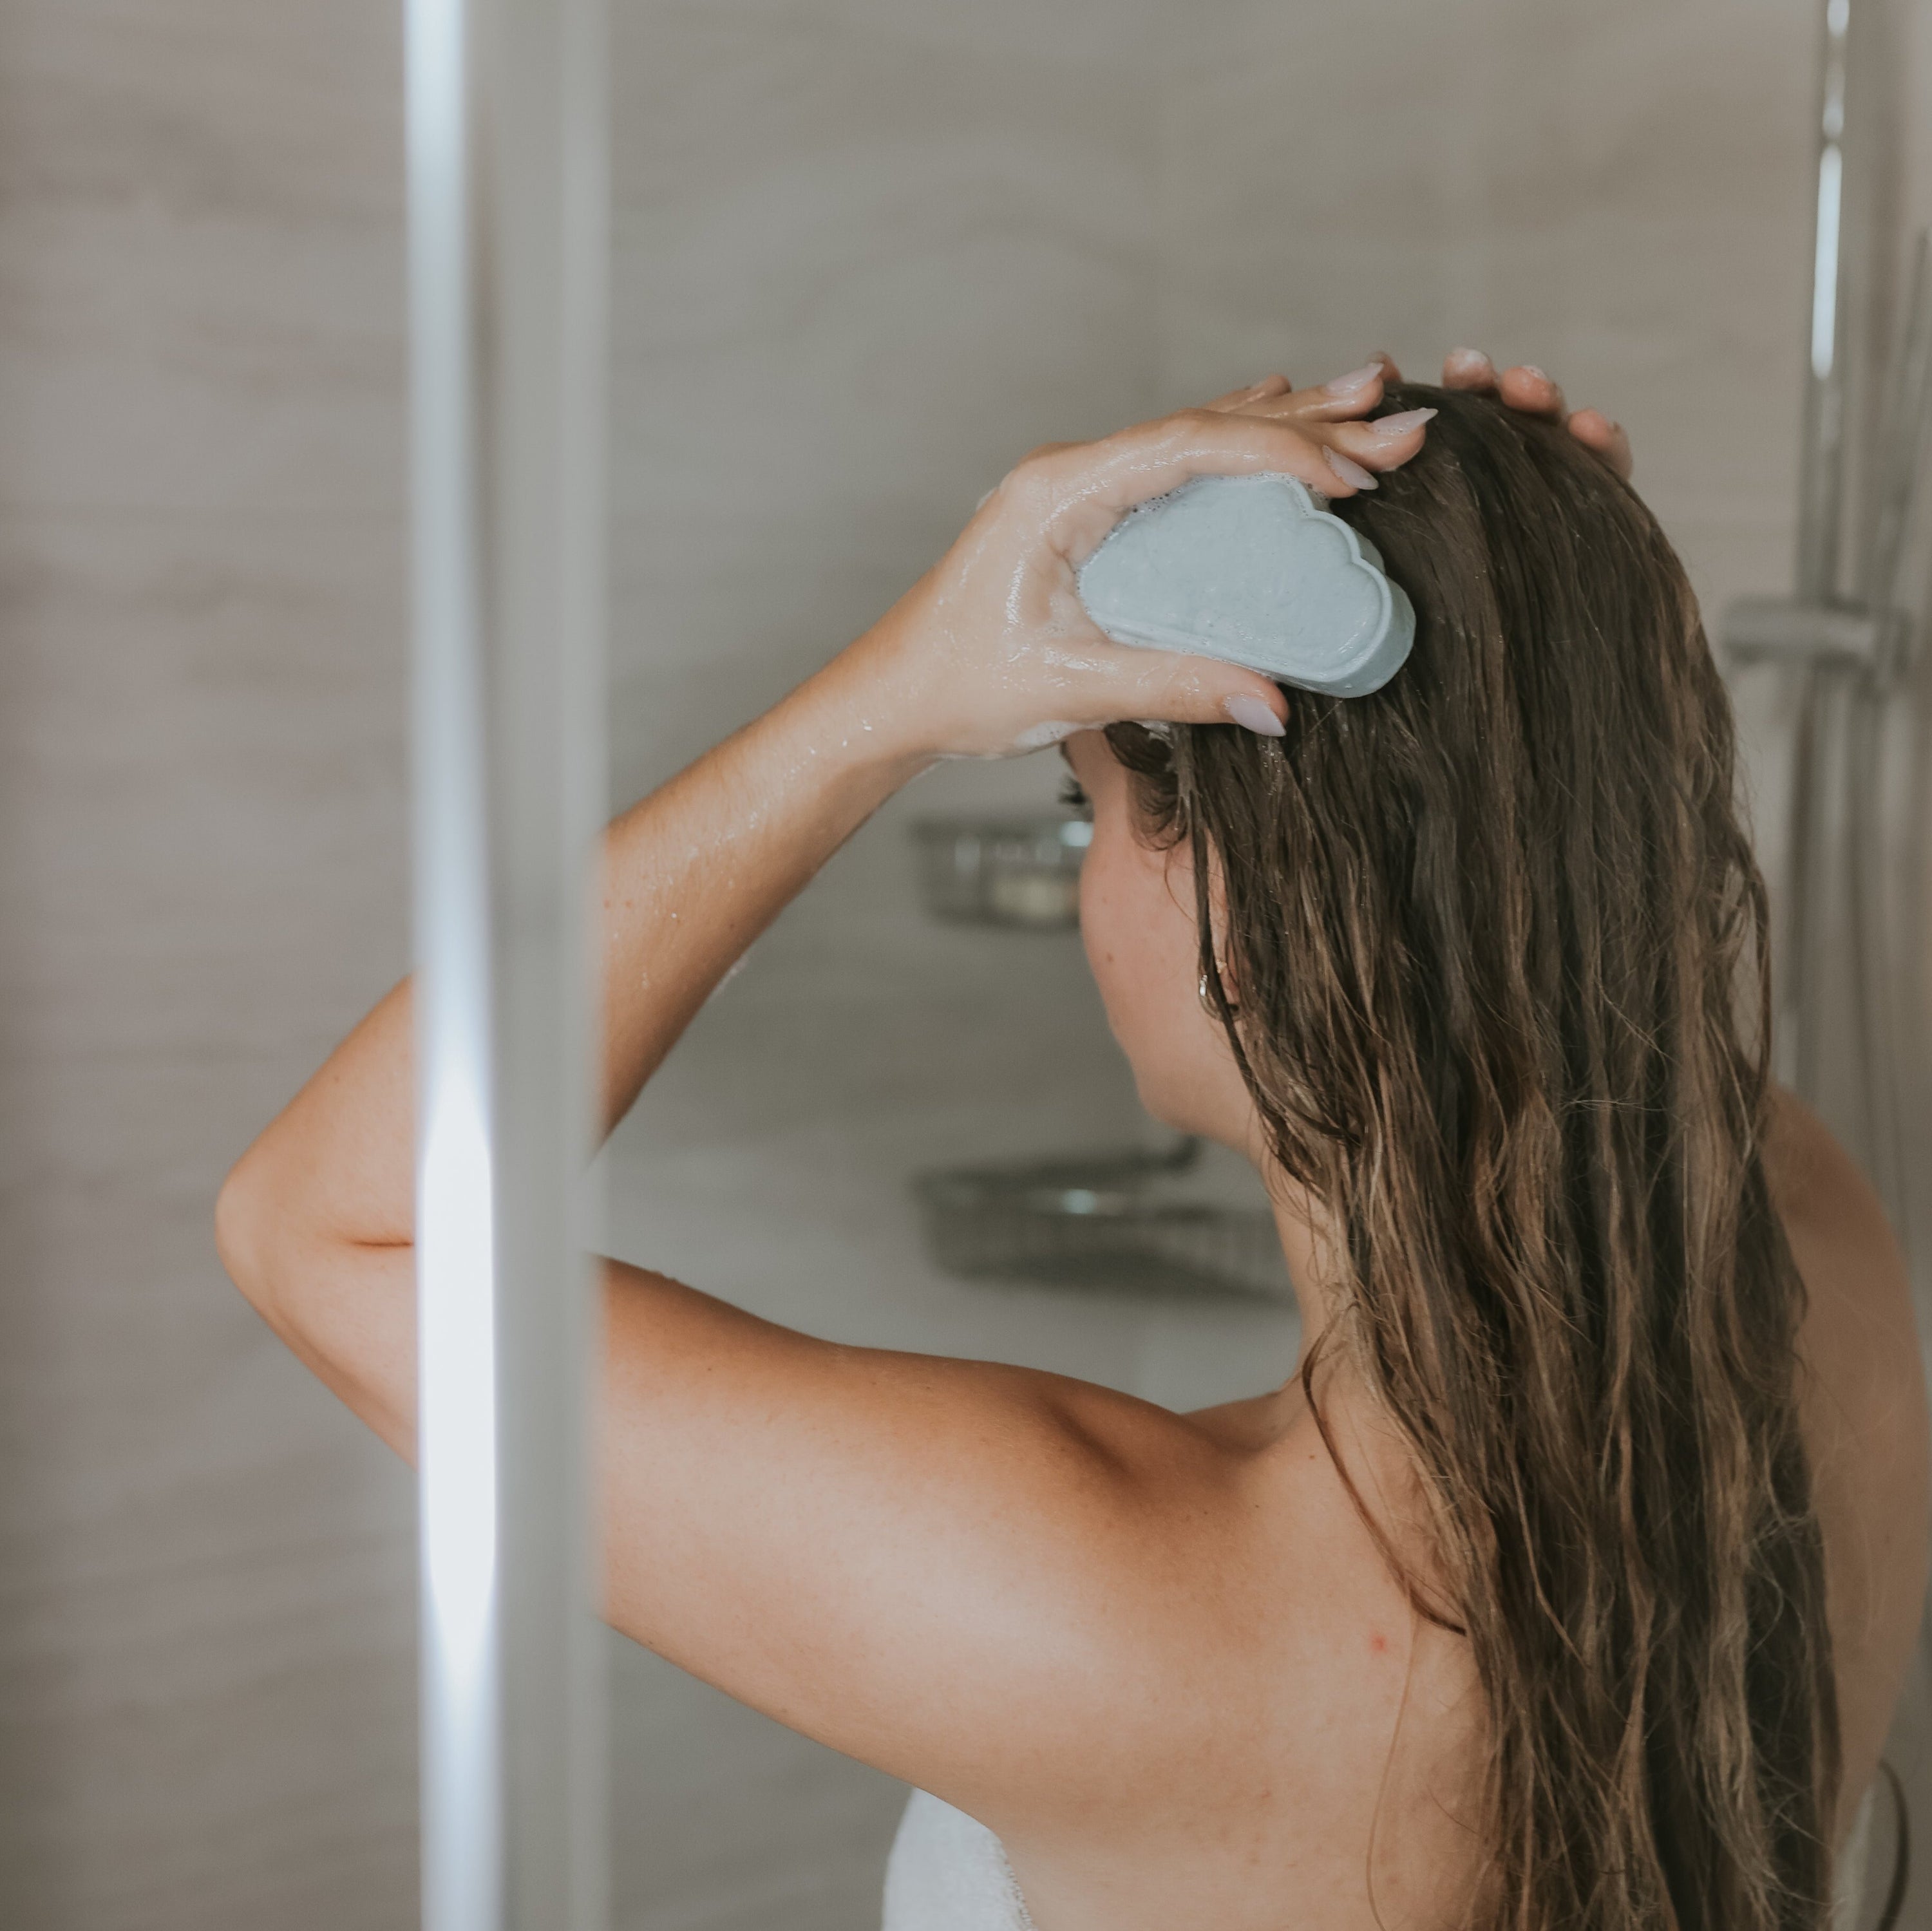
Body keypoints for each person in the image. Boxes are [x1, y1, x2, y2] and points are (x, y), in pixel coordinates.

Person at [216, 350, 1927, 1931]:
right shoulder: (1813, 1262)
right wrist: (1549, 660)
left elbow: (329, 1229)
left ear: (1241, 911)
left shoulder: (1125, 1603)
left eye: (1082, 809)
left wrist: (888, 693)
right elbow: (1585, 983)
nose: (1081, 889)